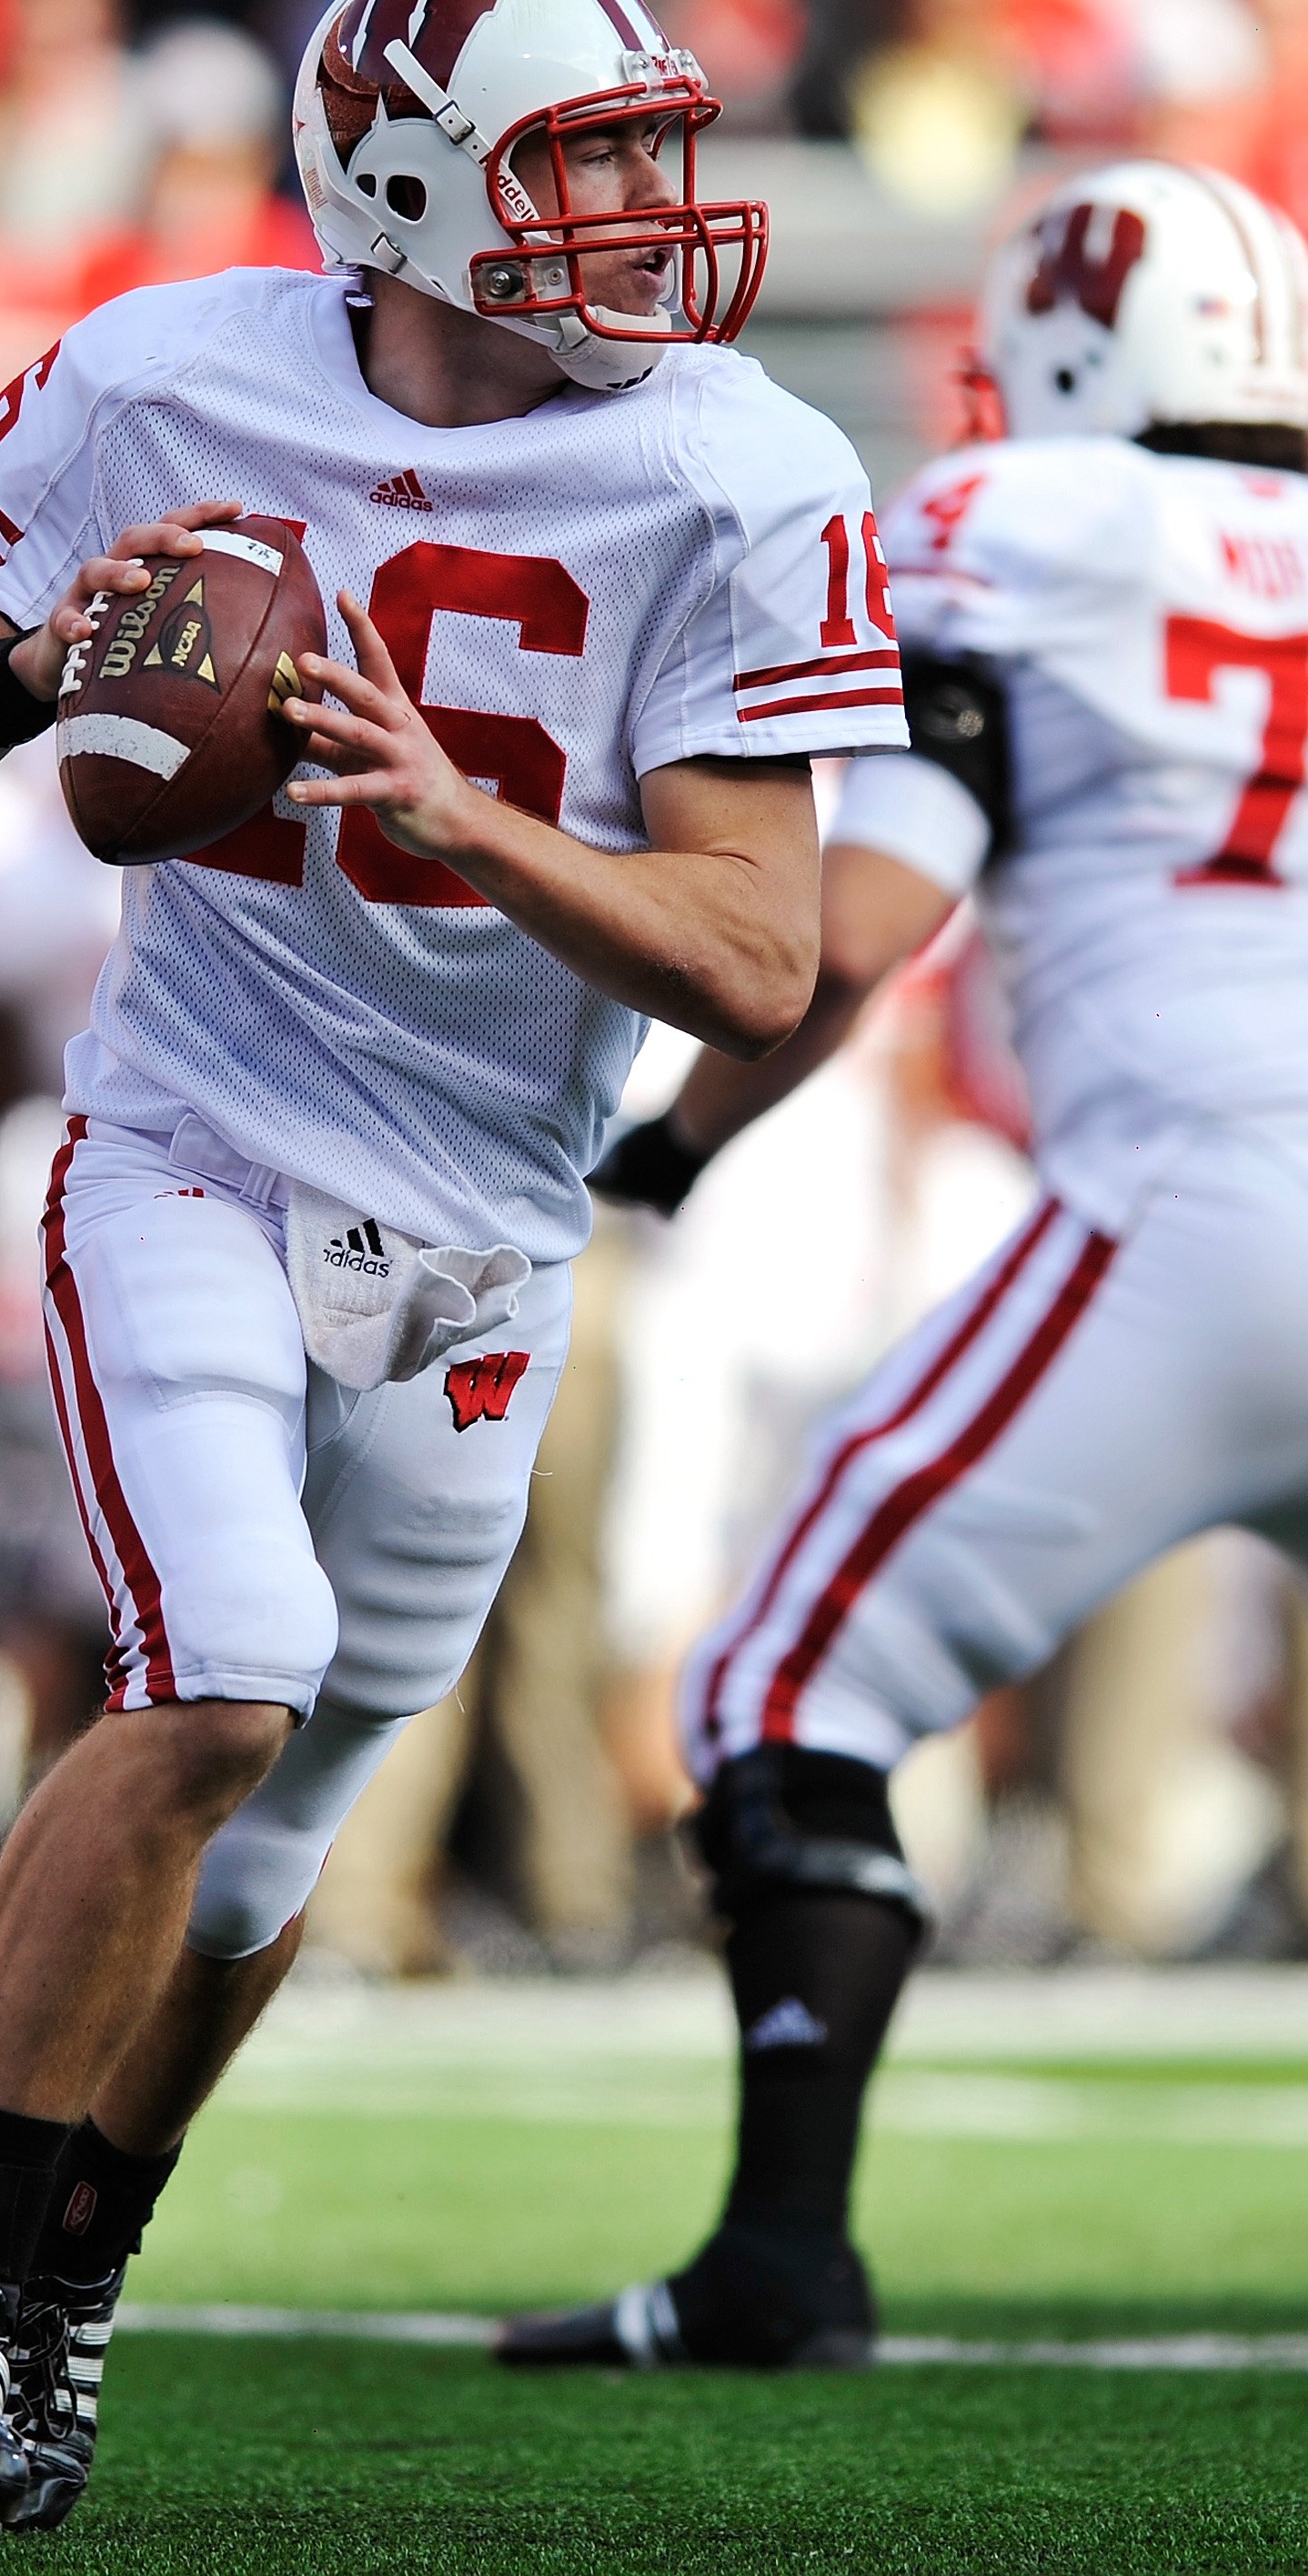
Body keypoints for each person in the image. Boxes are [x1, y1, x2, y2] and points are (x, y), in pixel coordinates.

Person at [0, 0, 910, 2534]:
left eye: (649, 159)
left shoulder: (744, 470)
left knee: (280, 1838)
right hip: (189, 1136)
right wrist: (22, 669)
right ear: (404, 198)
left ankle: (69, 2287)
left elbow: (764, 957)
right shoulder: (170, 369)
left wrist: (480, 822)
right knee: (221, 1680)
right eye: (579, 173)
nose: (647, 219)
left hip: (488, 1229)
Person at [496, 156, 1308, 2373]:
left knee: (781, 1686)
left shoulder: (1021, 529)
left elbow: (857, 931)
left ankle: (777, 2260)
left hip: (1202, 1208)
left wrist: (663, 1150)